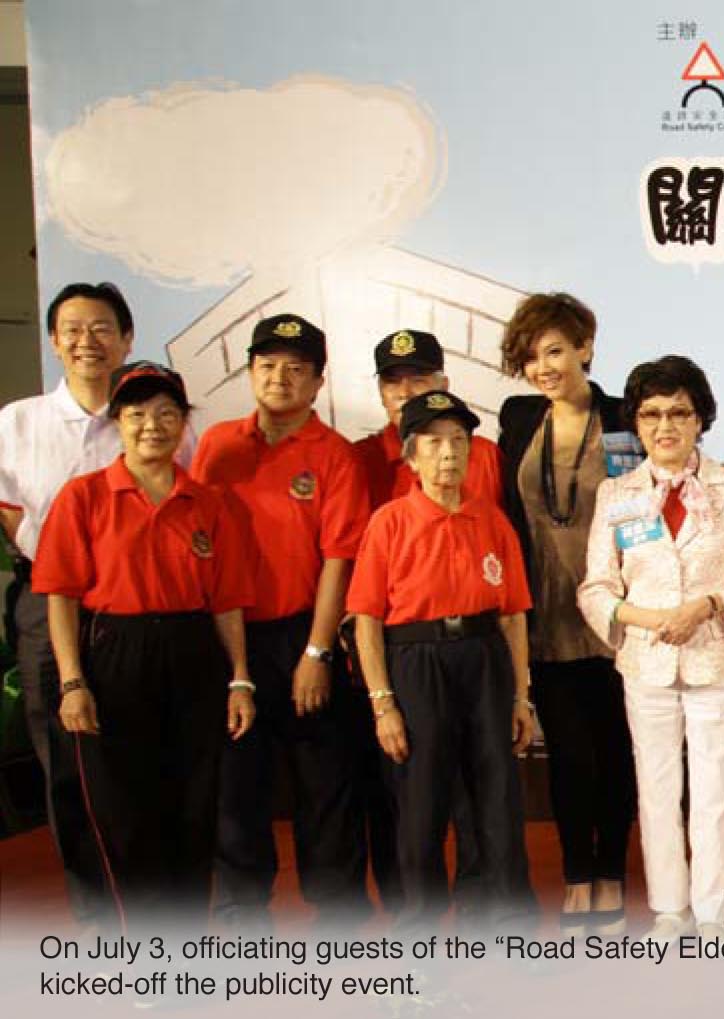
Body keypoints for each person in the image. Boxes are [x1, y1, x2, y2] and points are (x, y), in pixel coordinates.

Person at [0, 283, 196, 929]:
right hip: (47, 600)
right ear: (54, 340)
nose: (88, 341)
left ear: (127, 338)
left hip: (141, 612)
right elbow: (9, 512)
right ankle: (98, 919)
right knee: (69, 763)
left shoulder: (150, 416)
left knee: (150, 760)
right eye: (73, 329)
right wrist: (59, 563)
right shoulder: (17, 422)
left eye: (103, 327)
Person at [31, 363, 254, 927]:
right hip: (113, 654)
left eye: (166, 413)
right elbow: (60, 596)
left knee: (193, 805)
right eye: (136, 414)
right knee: (124, 811)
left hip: (192, 654)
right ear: (117, 422)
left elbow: (227, 601)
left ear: (184, 423)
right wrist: (73, 682)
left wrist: (239, 679)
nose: (151, 425)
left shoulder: (208, 502)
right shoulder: (84, 497)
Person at [579, 356, 724, 943]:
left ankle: (712, 916)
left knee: (716, 792)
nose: (665, 426)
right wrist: (645, 617)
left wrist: (707, 606)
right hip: (646, 662)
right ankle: (669, 910)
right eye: (651, 414)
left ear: (700, 420)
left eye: (679, 413)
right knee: (656, 789)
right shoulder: (616, 493)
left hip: (717, 659)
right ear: (636, 424)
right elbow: (596, 588)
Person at [191, 314, 370, 928]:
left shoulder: (334, 455)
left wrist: (317, 653)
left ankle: (339, 915)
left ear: (318, 381)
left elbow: (339, 559)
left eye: (296, 368)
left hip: (302, 634)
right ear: (249, 373)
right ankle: (241, 913)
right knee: (237, 783)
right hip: (230, 637)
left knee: (325, 782)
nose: (279, 378)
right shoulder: (217, 445)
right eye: (267, 366)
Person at [348, 390, 535, 933]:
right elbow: (366, 621)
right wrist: (382, 703)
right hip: (415, 662)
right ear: (411, 457)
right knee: (421, 800)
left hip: (484, 659)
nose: (449, 453)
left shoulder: (492, 520)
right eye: (434, 443)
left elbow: (513, 616)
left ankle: (505, 921)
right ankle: (421, 930)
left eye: (459, 441)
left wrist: (521, 696)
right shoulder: (389, 522)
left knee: (496, 795)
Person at [496, 293, 639, 934]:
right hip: (545, 615)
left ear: (585, 347)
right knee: (570, 758)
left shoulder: (624, 417)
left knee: (615, 753)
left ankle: (612, 875)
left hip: (616, 614)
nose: (542, 367)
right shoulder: (520, 418)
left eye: (554, 351)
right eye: (530, 357)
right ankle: (578, 875)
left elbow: (648, 510)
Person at [351, 329, 503, 510]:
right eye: (392, 382)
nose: (404, 393)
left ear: (443, 387)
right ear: (381, 392)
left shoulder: (483, 456)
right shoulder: (360, 460)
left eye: (418, 380)